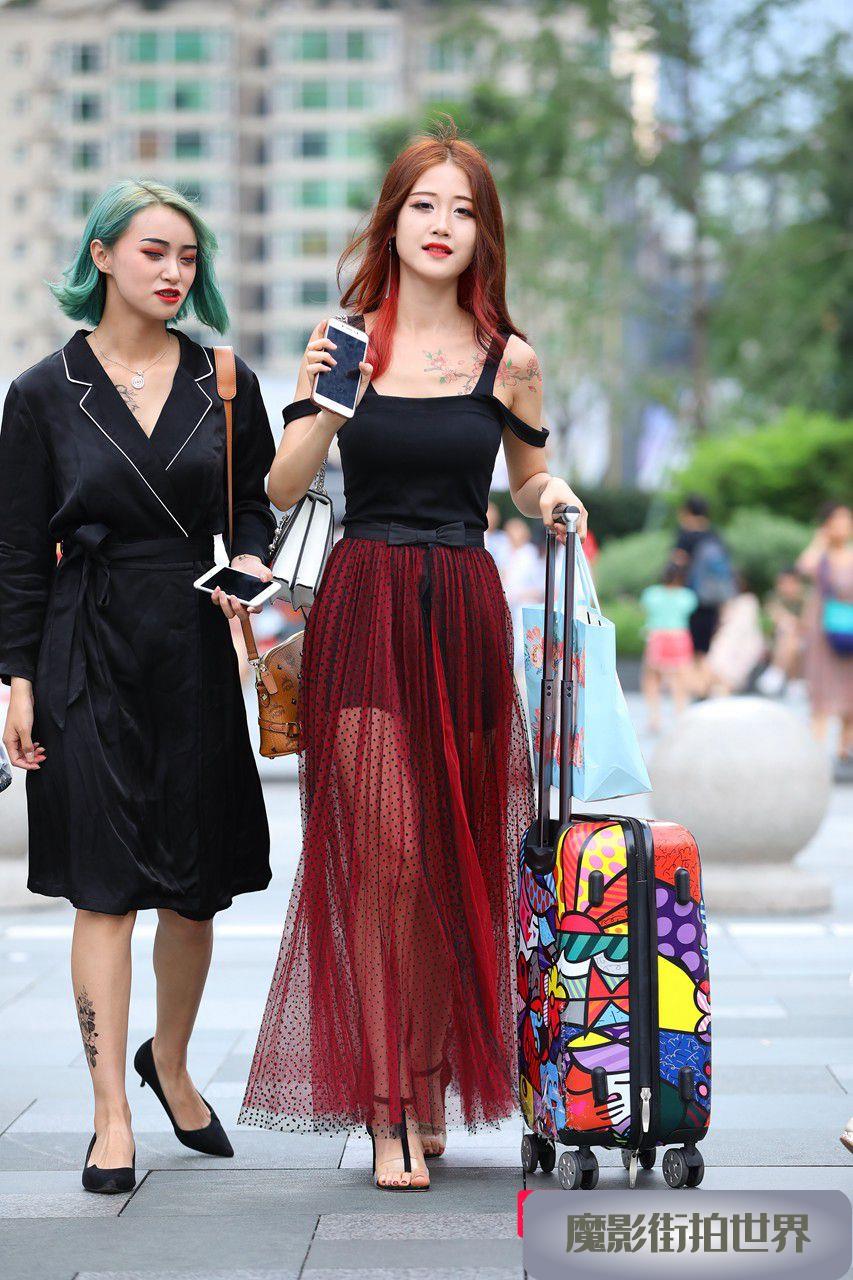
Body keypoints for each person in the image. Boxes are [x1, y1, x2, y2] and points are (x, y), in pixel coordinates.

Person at [238, 120, 588, 1191]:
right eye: (423, 205)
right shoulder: (344, 340)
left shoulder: (508, 357)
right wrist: (326, 402)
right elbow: (281, 486)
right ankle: (386, 1103)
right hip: (366, 603)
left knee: (448, 858)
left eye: (463, 209)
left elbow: (524, 478)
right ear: (390, 223)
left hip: (465, 608)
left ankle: (426, 1082)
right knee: (386, 861)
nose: (441, 225)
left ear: (485, 234)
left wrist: (555, 497)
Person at [0, 179, 276, 1193]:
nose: (173, 272)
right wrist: (16, 676)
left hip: (193, 645)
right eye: (154, 251)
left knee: (194, 892)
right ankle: (110, 1109)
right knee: (104, 888)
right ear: (103, 254)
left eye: (188, 257)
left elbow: (256, 509)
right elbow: (17, 551)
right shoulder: (42, 391)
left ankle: (171, 1059)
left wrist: (251, 558)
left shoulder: (223, 379)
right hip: (84, 646)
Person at [796, 502, 853, 766]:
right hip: (822, 633)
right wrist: (820, 541)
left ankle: (845, 751)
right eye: (838, 520)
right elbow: (803, 567)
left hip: (849, 631)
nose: (844, 525)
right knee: (820, 691)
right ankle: (815, 755)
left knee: (850, 690)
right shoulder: (821, 556)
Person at [672, 494, 735, 692]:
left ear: (687, 511)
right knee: (705, 647)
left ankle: (701, 688)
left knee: (692, 647)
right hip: (714, 598)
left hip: (691, 598)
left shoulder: (685, 536)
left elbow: (677, 563)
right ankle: (706, 686)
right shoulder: (714, 535)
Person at [639, 562, 698, 733]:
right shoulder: (687, 596)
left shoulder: (651, 594)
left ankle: (654, 717)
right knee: (680, 679)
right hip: (679, 636)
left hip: (657, 636)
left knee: (652, 678)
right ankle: (681, 713)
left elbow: (645, 609)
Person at [701, 572, 767, 697]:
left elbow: (747, 626)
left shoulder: (748, 601)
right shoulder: (728, 602)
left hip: (743, 641)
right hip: (727, 639)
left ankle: (724, 688)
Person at [755, 566, 807, 697]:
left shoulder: (807, 600)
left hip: (803, 644)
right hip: (777, 643)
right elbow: (769, 622)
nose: (787, 587)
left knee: (792, 636)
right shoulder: (773, 599)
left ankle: (777, 672)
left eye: (791, 583)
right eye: (784, 583)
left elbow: (808, 625)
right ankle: (793, 682)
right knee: (789, 633)